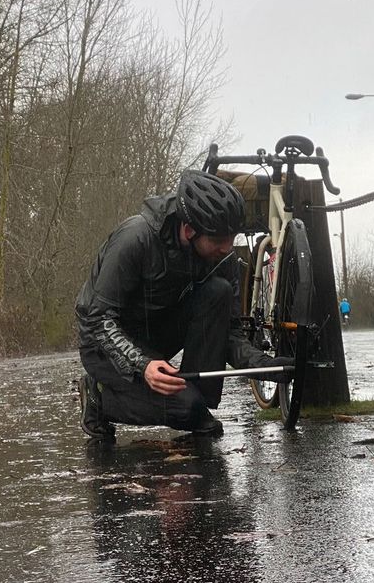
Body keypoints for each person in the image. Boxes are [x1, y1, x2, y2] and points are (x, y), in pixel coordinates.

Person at [76, 170, 289, 441]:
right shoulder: (135, 239)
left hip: (155, 331)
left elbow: (229, 334)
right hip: (103, 345)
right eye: (218, 240)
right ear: (189, 230)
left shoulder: (222, 258)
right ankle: (98, 397)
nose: (227, 248)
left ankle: (194, 400)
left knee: (218, 291)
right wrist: (142, 364)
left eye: (231, 237)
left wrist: (266, 366)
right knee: (189, 410)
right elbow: (99, 319)